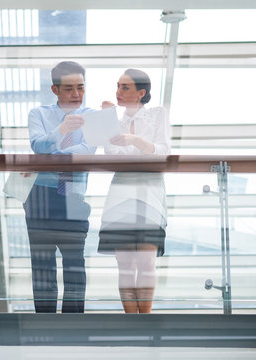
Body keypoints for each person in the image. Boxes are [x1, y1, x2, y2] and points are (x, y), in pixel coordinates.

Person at [23, 61, 96, 313]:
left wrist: (53, 153)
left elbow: (87, 151)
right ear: (55, 90)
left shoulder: (92, 117)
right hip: (40, 196)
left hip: (73, 196)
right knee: (42, 264)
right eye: (68, 89)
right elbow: (38, 146)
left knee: (75, 263)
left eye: (80, 88)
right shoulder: (39, 114)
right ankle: (44, 323)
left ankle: (73, 324)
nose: (76, 95)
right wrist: (62, 128)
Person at [98, 69, 171, 313]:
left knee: (147, 262)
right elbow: (112, 155)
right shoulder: (115, 122)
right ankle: (131, 321)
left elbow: (163, 151)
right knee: (126, 266)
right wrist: (107, 119)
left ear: (141, 93)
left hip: (149, 196)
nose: (118, 92)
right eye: (118, 86)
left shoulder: (157, 114)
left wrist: (134, 141)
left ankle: (146, 320)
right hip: (121, 196)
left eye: (125, 88)